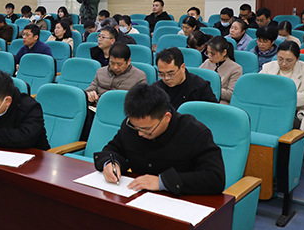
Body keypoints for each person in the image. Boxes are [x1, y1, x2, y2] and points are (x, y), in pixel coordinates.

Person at [93, 84, 225, 195]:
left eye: (147, 129)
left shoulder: (195, 133)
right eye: (136, 127)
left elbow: (215, 178)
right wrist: (110, 163)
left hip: (180, 201)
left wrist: (162, 182)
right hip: (137, 196)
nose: (140, 133)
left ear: (166, 117)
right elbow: (112, 149)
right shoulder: (131, 126)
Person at [260, 41, 304, 133]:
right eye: (280, 59)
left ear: (297, 58)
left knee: (279, 122)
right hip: (269, 107)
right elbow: (258, 88)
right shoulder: (268, 67)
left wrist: (286, 100)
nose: (283, 64)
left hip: (295, 110)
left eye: (289, 60)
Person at [201, 36, 242, 105]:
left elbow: (231, 94)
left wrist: (211, 88)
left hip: (220, 102)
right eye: (208, 53)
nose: (209, 56)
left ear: (224, 52)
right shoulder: (207, 62)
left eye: (213, 54)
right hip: (202, 98)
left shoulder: (236, 68)